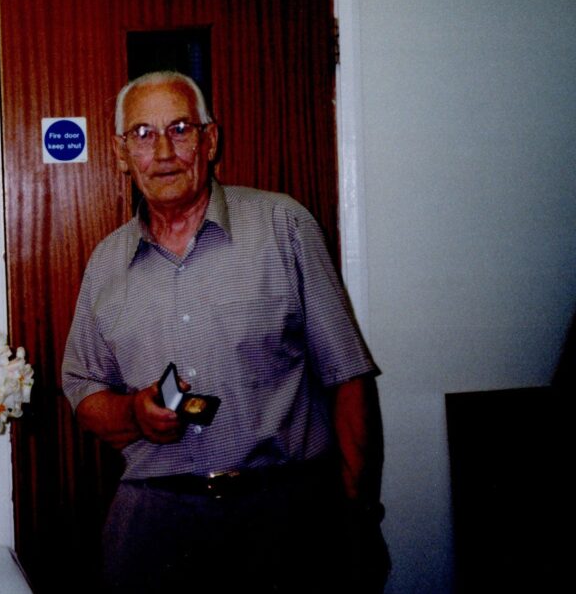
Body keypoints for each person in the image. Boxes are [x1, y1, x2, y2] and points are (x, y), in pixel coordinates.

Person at [61, 71, 389, 593]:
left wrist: (358, 512)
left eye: (181, 128)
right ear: (121, 154)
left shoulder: (284, 226)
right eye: (142, 134)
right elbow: (82, 387)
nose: (163, 150)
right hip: (155, 524)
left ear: (210, 140)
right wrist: (132, 415)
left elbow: (347, 375)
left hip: (285, 515)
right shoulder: (106, 263)